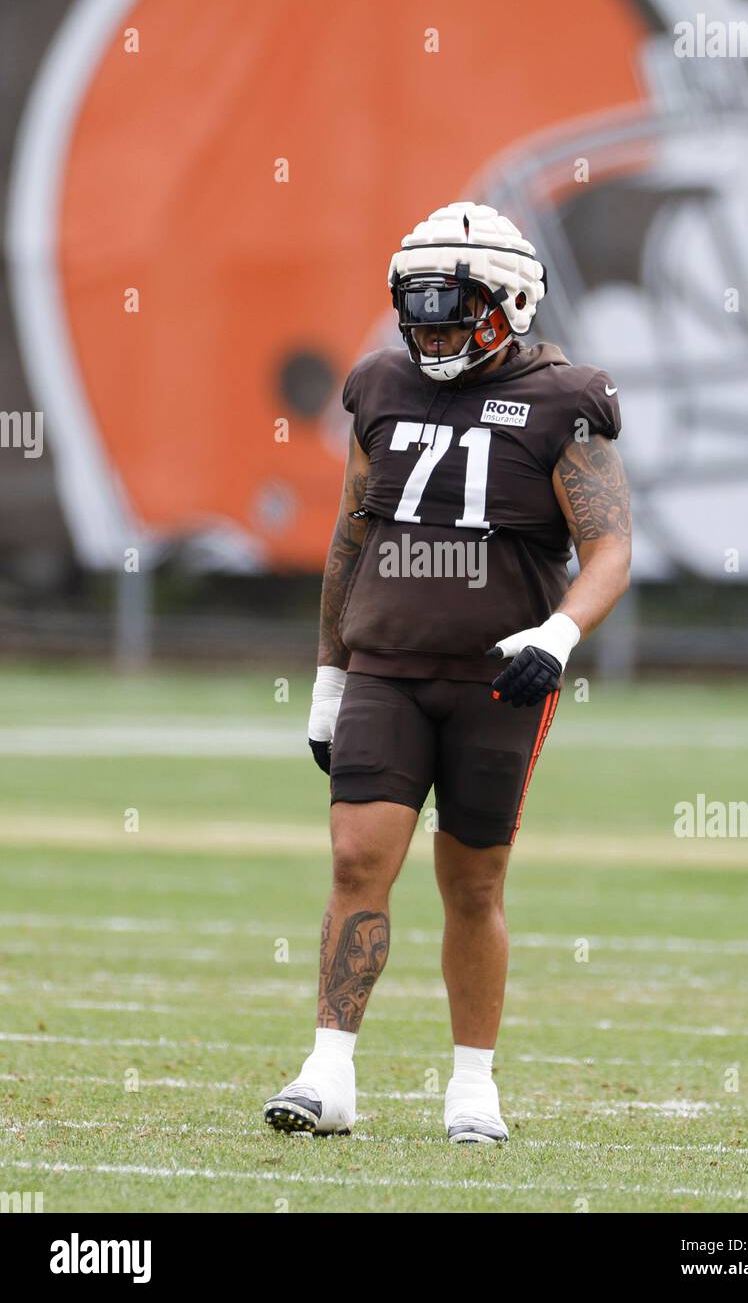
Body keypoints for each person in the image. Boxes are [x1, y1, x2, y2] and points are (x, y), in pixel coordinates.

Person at [264, 201, 631, 1143]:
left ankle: (472, 1085)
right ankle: (328, 1071)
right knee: (356, 860)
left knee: (473, 881)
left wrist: (557, 634)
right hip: (386, 662)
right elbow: (351, 535)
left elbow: (611, 548)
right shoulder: (381, 384)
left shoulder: (563, 399)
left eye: (450, 306)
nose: (428, 328)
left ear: (510, 303)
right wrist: (330, 674)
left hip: (497, 674)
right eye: (415, 306)